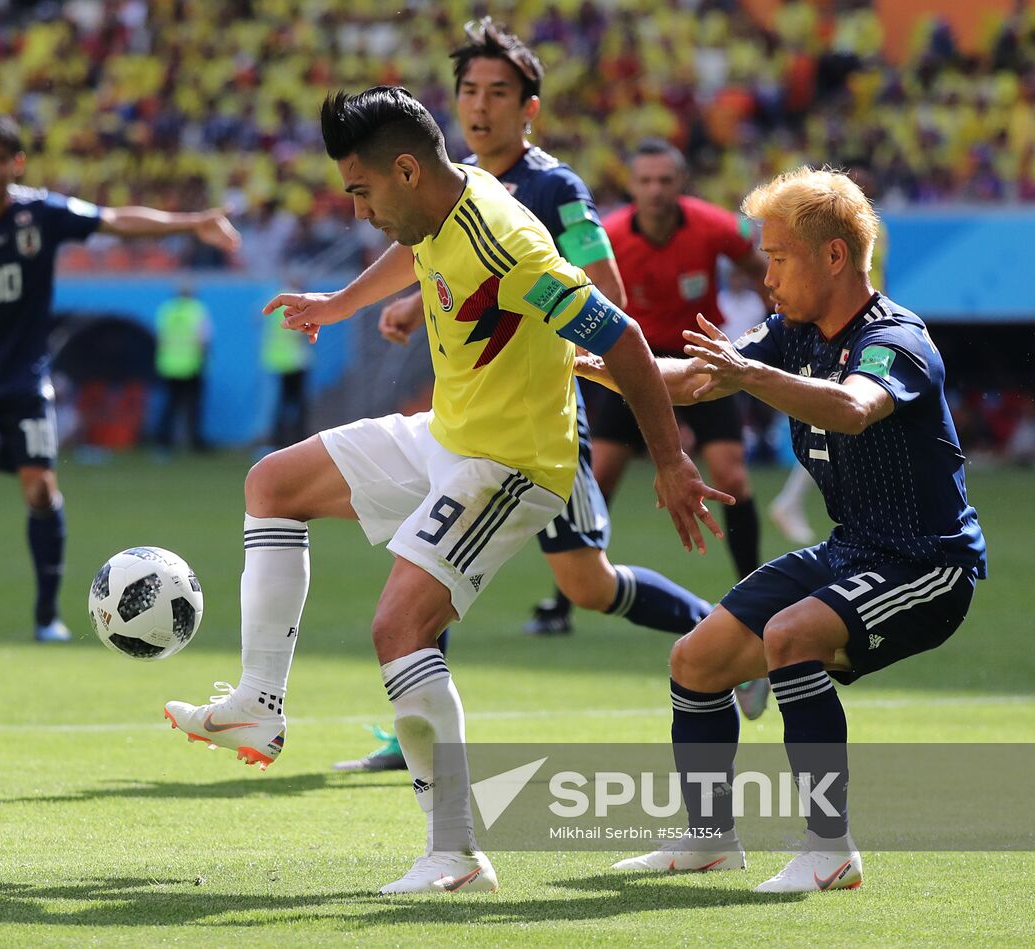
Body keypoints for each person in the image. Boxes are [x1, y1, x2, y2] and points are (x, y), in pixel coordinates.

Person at [164, 86, 730, 895]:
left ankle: (455, 852)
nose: (358, 211)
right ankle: (259, 701)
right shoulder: (439, 195)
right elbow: (414, 245)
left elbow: (625, 338)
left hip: (509, 464)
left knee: (400, 626)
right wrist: (341, 302)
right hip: (448, 435)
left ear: (403, 170)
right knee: (273, 482)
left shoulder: (509, 247)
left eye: (360, 192)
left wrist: (671, 461)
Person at [334, 20, 728, 775]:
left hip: (540, 422)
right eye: (469, 91)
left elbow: (605, 297)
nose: (480, 106)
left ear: (530, 110)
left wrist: (568, 346)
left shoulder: (556, 191)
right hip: (475, 417)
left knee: (588, 583)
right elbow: (431, 256)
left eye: (498, 93)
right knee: (428, 547)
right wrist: (395, 302)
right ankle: (409, 731)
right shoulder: (449, 182)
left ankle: (716, 632)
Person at [586, 167, 986, 892]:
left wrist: (750, 375)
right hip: (851, 550)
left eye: (777, 257)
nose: (765, 277)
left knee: (791, 637)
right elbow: (695, 379)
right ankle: (709, 837)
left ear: (833, 256)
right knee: (696, 660)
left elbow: (853, 407)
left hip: (927, 564)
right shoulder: (792, 334)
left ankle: (829, 847)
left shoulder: (897, 339)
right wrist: (599, 364)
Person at [0, 115, 240, 644]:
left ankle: (47, 616)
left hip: (23, 380)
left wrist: (190, 222)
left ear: (16, 164)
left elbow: (114, 219)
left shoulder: (41, 213)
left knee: (40, 487)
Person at [591, 138, 771, 584]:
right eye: (646, 180)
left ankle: (754, 591)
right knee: (600, 477)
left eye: (665, 180)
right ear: (632, 185)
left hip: (700, 358)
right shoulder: (607, 237)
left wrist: (784, 323)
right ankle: (568, 592)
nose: (655, 189)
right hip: (632, 360)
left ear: (681, 183)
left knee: (733, 476)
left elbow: (763, 268)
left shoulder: (712, 225)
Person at [769, 158, 888, 546]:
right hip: (844, 322)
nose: (770, 278)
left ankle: (792, 503)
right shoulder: (793, 325)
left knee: (842, 417)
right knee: (832, 421)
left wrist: (749, 375)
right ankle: (791, 502)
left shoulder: (871, 234)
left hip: (859, 322)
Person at [154, 283, 212, 453]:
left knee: (170, 405)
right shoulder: (196, 310)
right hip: (190, 364)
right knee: (193, 406)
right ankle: (194, 442)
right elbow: (204, 339)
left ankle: (163, 443)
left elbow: (159, 337)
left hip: (168, 364)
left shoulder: (167, 310)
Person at [261, 298, 312, 451]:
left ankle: (279, 439)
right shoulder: (298, 304)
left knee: (281, 404)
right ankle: (299, 439)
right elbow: (303, 331)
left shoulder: (273, 304)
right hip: (296, 361)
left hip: (279, 361)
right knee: (299, 404)